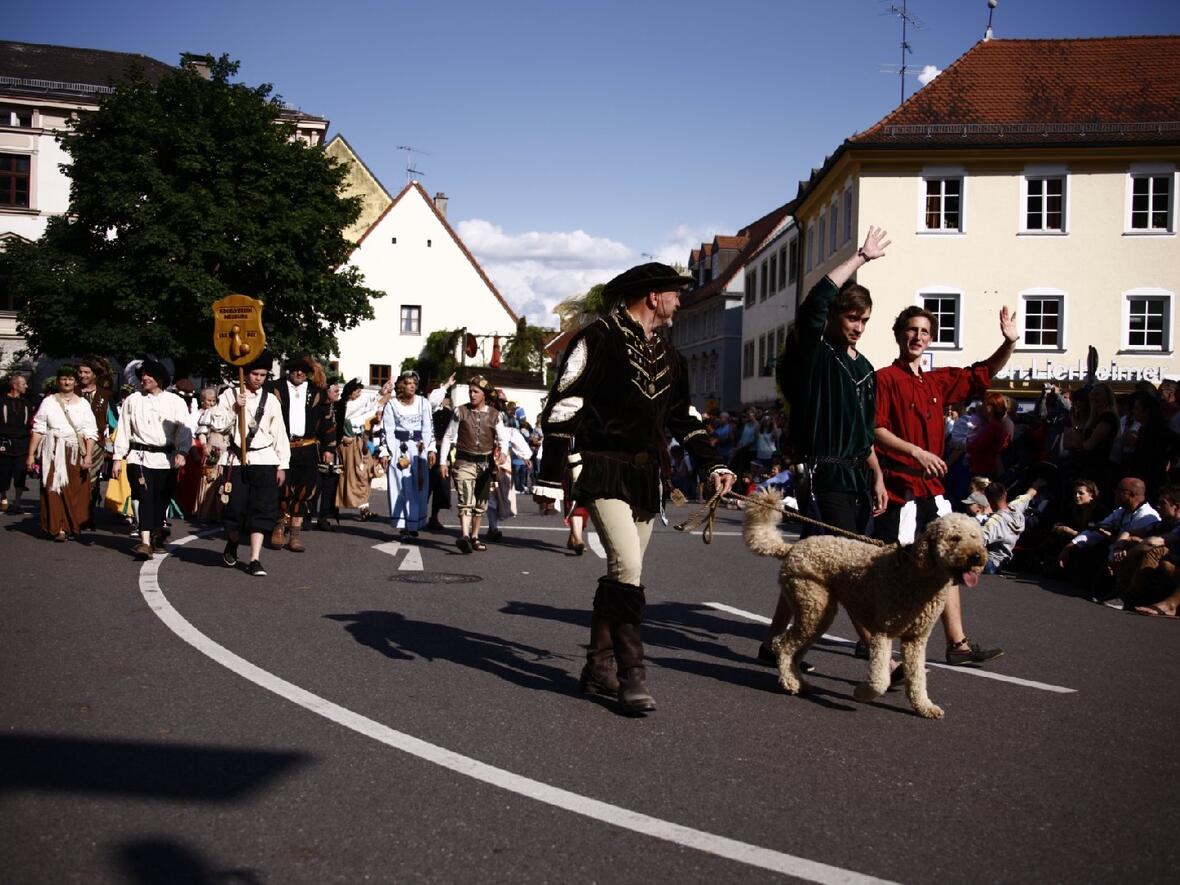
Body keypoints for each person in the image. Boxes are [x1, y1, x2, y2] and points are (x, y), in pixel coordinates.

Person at [534, 262, 736, 715]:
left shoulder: (671, 355)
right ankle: (632, 677)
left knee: (623, 574)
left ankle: (596, 666)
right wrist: (550, 478)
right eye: (675, 293)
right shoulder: (598, 338)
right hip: (602, 467)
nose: (680, 301)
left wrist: (713, 464)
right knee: (628, 567)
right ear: (652, 296)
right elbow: (563, 406)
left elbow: (685, 418)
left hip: (647, 477)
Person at [762, 227, 891, 670]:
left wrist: (877, 474)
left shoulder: (867, 369)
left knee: (810, 559)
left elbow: (865, 430)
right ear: (837, 317)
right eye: (851, 318)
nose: (857, 327)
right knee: (848, 565)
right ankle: (879, 653)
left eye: (864, 320)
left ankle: (773, 642)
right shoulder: (814, 352)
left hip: (857, 475)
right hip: (821, 473)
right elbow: (815, 301)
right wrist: (860, 258)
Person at [871, 293, 1018, 666]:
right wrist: (916, 452)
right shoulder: (884, 379)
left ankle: (958, 645)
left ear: (931, 338)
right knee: (898, 571)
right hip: (900, 489)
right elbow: (876, 430)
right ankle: (883, 647)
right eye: (911, 330)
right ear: (899, 335)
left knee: (950, 562)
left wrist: (1009, 342)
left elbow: (983, 373)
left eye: (924, 331)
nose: (917, 337)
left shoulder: (937, 381)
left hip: (933, 493)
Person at [211, 354, 290, 577]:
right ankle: (233, 542)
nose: (258, 378)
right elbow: (217, 424)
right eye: (255, 374)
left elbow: (279, 434)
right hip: (237, 460)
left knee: (262, 510)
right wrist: (235, 408)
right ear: (245, 374)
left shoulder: (271, 400)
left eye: (263, 375)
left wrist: (282, 464)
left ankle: (255, 559)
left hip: (264, 460)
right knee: (234, 508)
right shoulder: (230, 395)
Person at [111, 360, 192, 558]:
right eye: (142, 375)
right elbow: (123, 429)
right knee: (144, 495)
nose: (144, 378)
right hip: (139, 457)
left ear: (160, 379)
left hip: (166, 458)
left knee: (161, 498)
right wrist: (117, 457)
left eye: (149, 375)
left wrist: (182, 451)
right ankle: (144, 542)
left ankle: (157, 534)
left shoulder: (175, 402)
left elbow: (184, 428)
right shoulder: (133, 400)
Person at [269, 355, 336, 552]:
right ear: (289, 370)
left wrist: (329, 448)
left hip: (307, 448)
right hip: (281, 447)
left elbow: (327, 422)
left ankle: (295, 535)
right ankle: (279, 528)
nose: (299, 373)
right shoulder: (275, 388)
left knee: (304, 491)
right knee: (282, 489)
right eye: (295, 369)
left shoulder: (318, 392)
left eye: (303, 370)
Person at [26, 365, 98, 541]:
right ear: (58, 381)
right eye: (64, 378)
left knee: (74, 490)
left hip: (74, 451)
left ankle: (69, 524)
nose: (67, 382)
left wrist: (88, 456)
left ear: (75, 382)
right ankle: (57, 527)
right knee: (52, 488)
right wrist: (30, 454)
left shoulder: (83, 404)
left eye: (70, 379)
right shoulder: (48, 401)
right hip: (52, 451)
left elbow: (90, 432)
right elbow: (38, 429)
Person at [1059, 476, 1161, 601]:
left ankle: (1124, 595)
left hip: (1129, 559)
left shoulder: (1146, 517)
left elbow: (1136, 545)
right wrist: (1069, 546)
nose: (1115, 493)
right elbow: (1096, 530)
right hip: (1113, 555)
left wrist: (1113, 545)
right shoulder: (1121, 511)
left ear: (1131, 494)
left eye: (1119, 491)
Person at [439, 375, 509, 552]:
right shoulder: (460, 411)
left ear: (484, 394)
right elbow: (448, 436)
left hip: (485, 465)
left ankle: (475, 536)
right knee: (465, 500)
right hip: (464, 462)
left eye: (476, 392)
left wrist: (503, 452)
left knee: (480, 504)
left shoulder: (495, 415)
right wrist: (443, 462)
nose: (472, 395)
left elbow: (503, 438)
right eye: (470, 391)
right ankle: (464, 536)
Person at [377, 370, 436, 540]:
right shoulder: (392, 405)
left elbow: (428, 428)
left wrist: (431, 449)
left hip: (418, 449)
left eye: (414, 384)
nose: (412, 386)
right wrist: (384, 452)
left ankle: (414, 523)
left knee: (418, 486)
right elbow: (386, 430)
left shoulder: (423, 403)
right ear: (402, 386)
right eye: (408, 383)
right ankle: (404, 527)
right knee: (401, 486)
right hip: (399, 449)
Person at [336, 378, 386, 522]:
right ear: (350, 393)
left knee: (364, 475)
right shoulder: (346, 406)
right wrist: (379, 396)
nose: (359, 394)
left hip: (360, 443)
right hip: (349, 446)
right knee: (356, 475)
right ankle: (358, 507)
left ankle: (364, 507)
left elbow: (366, 410)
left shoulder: (353, 407)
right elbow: (362, 408)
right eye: (357, 391)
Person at [75, 358, 112, 521]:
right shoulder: (72, 392)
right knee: (75, 476)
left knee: (91, 478)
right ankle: (74, 513)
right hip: (74, 440)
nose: (82, 375)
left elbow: (114, 421)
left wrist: (113, 443)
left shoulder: (106, 394)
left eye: (86, 372)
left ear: (94, 375)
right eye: (80, 372)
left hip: (97, 443)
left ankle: (87, 514)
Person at [1, 373, 34, 515]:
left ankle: (18, 501)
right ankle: (3, 498)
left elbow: (32, 422)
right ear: (15, 385)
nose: (26, 386)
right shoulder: (2, 401)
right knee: (3, 471)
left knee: (21, 472)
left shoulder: (26, 403)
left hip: (22, 442)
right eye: (23, 384)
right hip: (4, 442)